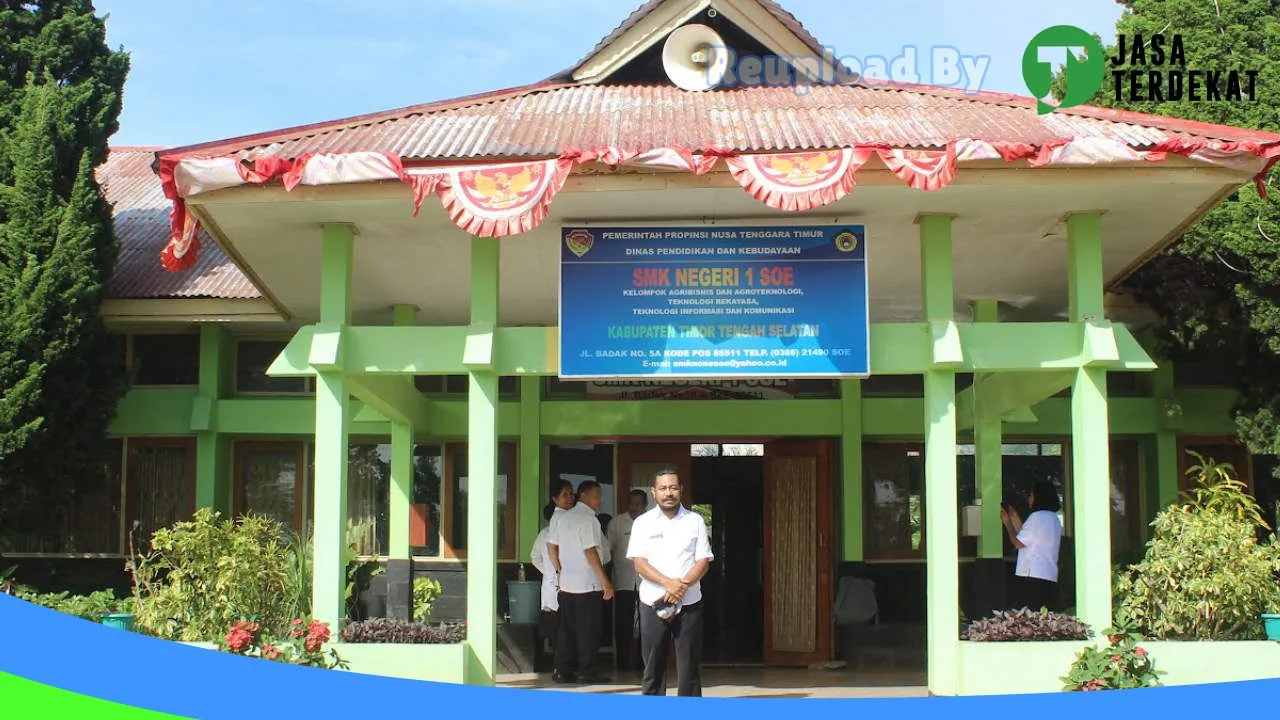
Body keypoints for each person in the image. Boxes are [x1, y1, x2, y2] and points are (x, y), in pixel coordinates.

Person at [627, 468, 713, 697]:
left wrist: (681, 587)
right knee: (653, 667)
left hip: (689, 604)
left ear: (681, 491)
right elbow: (639, 563)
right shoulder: (643, 523)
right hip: (652, 603)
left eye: (673, 487)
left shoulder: (695, 521)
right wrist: (669, 584)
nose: (669, 493)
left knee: (689, 668)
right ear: (654, 493)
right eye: (663, 488)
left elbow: (703, 560)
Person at [547, 480, 614, 684]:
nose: (599, 501)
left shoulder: (564, 518)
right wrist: (606, 583)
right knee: (589, 631)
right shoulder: (588, 520)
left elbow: (552, 546)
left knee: (567, 631)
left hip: (567, 585)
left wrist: (560, 570)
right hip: (588, 585)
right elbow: (590, 551)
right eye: (596, 496)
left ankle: (563, 670)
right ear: (583, 496)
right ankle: (586, 671)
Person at [1000, 479, 1063, 612]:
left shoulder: (1036, 517)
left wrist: (1007, 524)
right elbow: (1028, 535)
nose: (1029, 498)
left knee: (1031, 617)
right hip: (1049, 574)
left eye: (1031, 495)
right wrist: (1014, 517)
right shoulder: (1053, 518)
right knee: (1045, 617)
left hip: (1032, 575)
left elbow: (1018, 543)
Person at [607, 489, 649, 671]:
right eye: (632, 503)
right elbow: (607, 551)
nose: (635, 507)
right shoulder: (616, 523)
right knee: (623, 625)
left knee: (646, 624)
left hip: (648, 583)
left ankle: (643, 664)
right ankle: (622, 663)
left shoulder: (652, 523)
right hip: (623, 582)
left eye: (638, 503)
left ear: (645, 505)